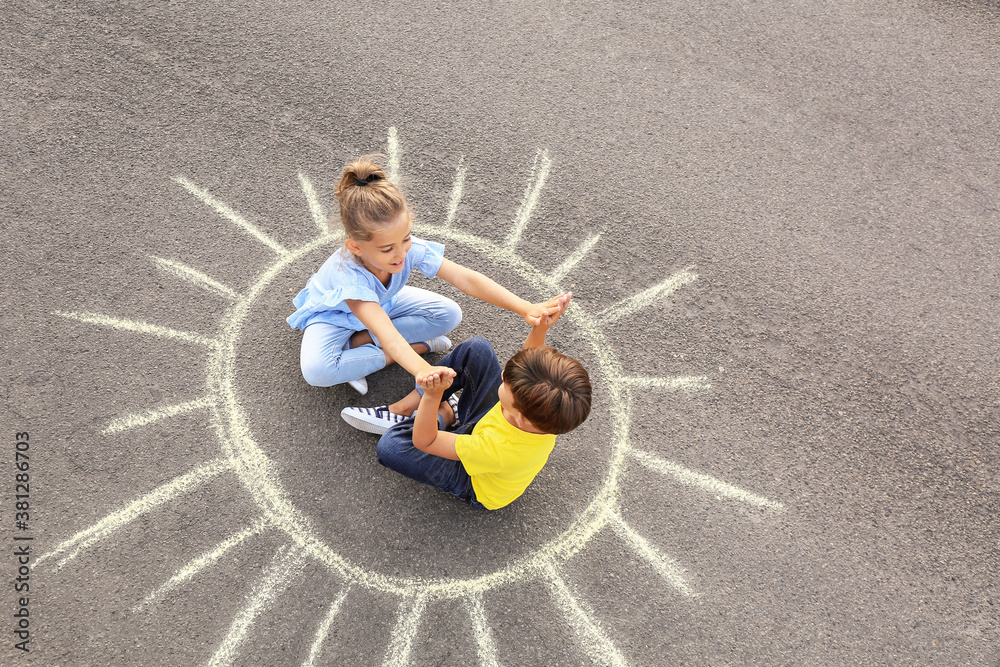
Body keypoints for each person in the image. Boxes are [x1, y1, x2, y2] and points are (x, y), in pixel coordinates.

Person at [287, 156, 567, 394]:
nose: (400, 254)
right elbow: (389, 336)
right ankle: (417, 348)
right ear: (355, 247)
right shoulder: (349, 278)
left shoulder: (406, 251)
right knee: (318, 371)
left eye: (406, 239)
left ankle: (355, 347)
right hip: (334, 317)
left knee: (449, 314)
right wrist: (421, 368)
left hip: (383, 304)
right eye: (387, 249)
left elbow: (466, 279)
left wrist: (525, 308)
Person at [341, 293, 592, 510]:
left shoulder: (497, 449)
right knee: (478, 349)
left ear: (520, 415)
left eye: (506, 385)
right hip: (486, 431)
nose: (502, 376)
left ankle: (442, 415)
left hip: (474, 480)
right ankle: (411, 409)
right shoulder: (547, 413)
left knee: (392, 448)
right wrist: (540, 328)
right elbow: (526, 366)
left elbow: (425, 441)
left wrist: (433, 395)